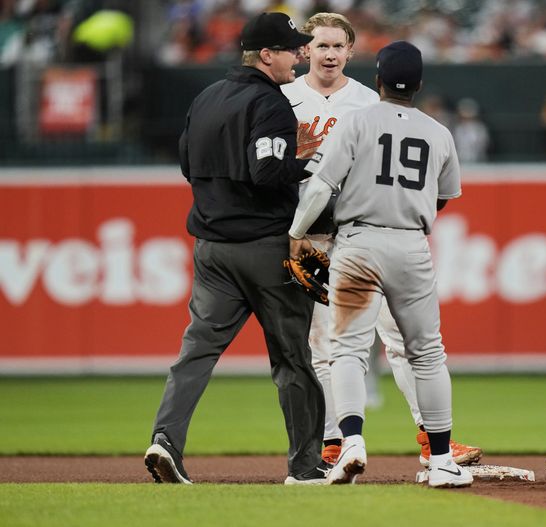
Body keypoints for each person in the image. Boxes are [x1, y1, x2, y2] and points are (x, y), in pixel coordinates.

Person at [281, 12, 482, 469]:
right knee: (324, 345)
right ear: (305, 50)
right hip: (317, 235)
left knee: (393, 341)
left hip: (350, 232)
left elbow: (324, 182)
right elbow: (442, 194)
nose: (329, 53)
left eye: (338, 46)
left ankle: (425, 438)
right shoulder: (284, 98)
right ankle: (333, 439)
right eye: (321, 45)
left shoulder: (368, 103)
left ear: (352, 53)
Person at [144, 12, 328, 486]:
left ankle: (164, 440)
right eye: (292, 48)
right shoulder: (270, 103)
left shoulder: (205, 97)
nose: (300, 55)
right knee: (292, 359)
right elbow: (268, 172)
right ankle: (305, 467)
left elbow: (188, 164)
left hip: (211, 249)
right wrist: (309, 161)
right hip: (264, 248)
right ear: (267, 56)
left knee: (196, 353)